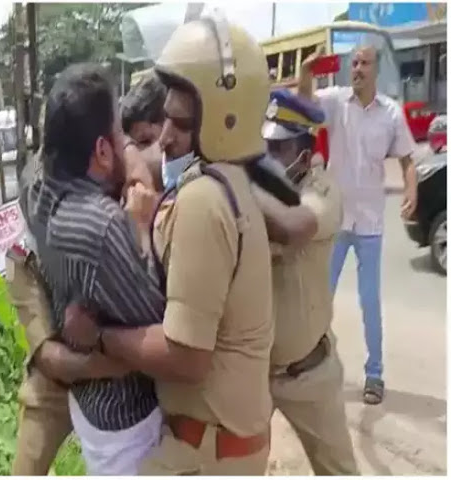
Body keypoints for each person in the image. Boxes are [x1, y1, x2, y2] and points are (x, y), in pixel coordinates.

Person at [62, 14, 276, 475]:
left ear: (224, 120)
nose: (164, 137)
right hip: (222, 445)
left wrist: (99, 335)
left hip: (205, 454)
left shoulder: (203, 200)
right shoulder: (230, 182)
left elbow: (186, 356)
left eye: (179, 124)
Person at [20, 63, 166, 476]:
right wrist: (141, 228)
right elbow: (160, 324)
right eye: (120, 135)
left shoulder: (34, 186)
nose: (127, 145)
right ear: (102, 151)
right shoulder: (101, 226)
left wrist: (129, 154)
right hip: (128, 421)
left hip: (89, 404)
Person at [298, 46, 418, 405]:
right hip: (336, 220)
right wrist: (306, 73)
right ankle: (312, 362)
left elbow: (408, 160)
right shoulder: (337, 102)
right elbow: (304, 103)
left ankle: (374, 374)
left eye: (365, 63)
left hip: (370, 223)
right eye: (354, 63)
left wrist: (411, 189)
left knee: (369, 302)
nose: (358, 69)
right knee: (320, 297)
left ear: (376, 70)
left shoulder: (391, 113)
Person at [259, 89, 359, 475]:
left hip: (309, 373)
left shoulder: (322, 191)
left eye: (278, 149)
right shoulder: (261, 189)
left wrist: (241, 186)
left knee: (338, 471)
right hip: (255, 373)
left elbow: (293, 227)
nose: (268, 158)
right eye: (265, 147)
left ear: (304, 156)